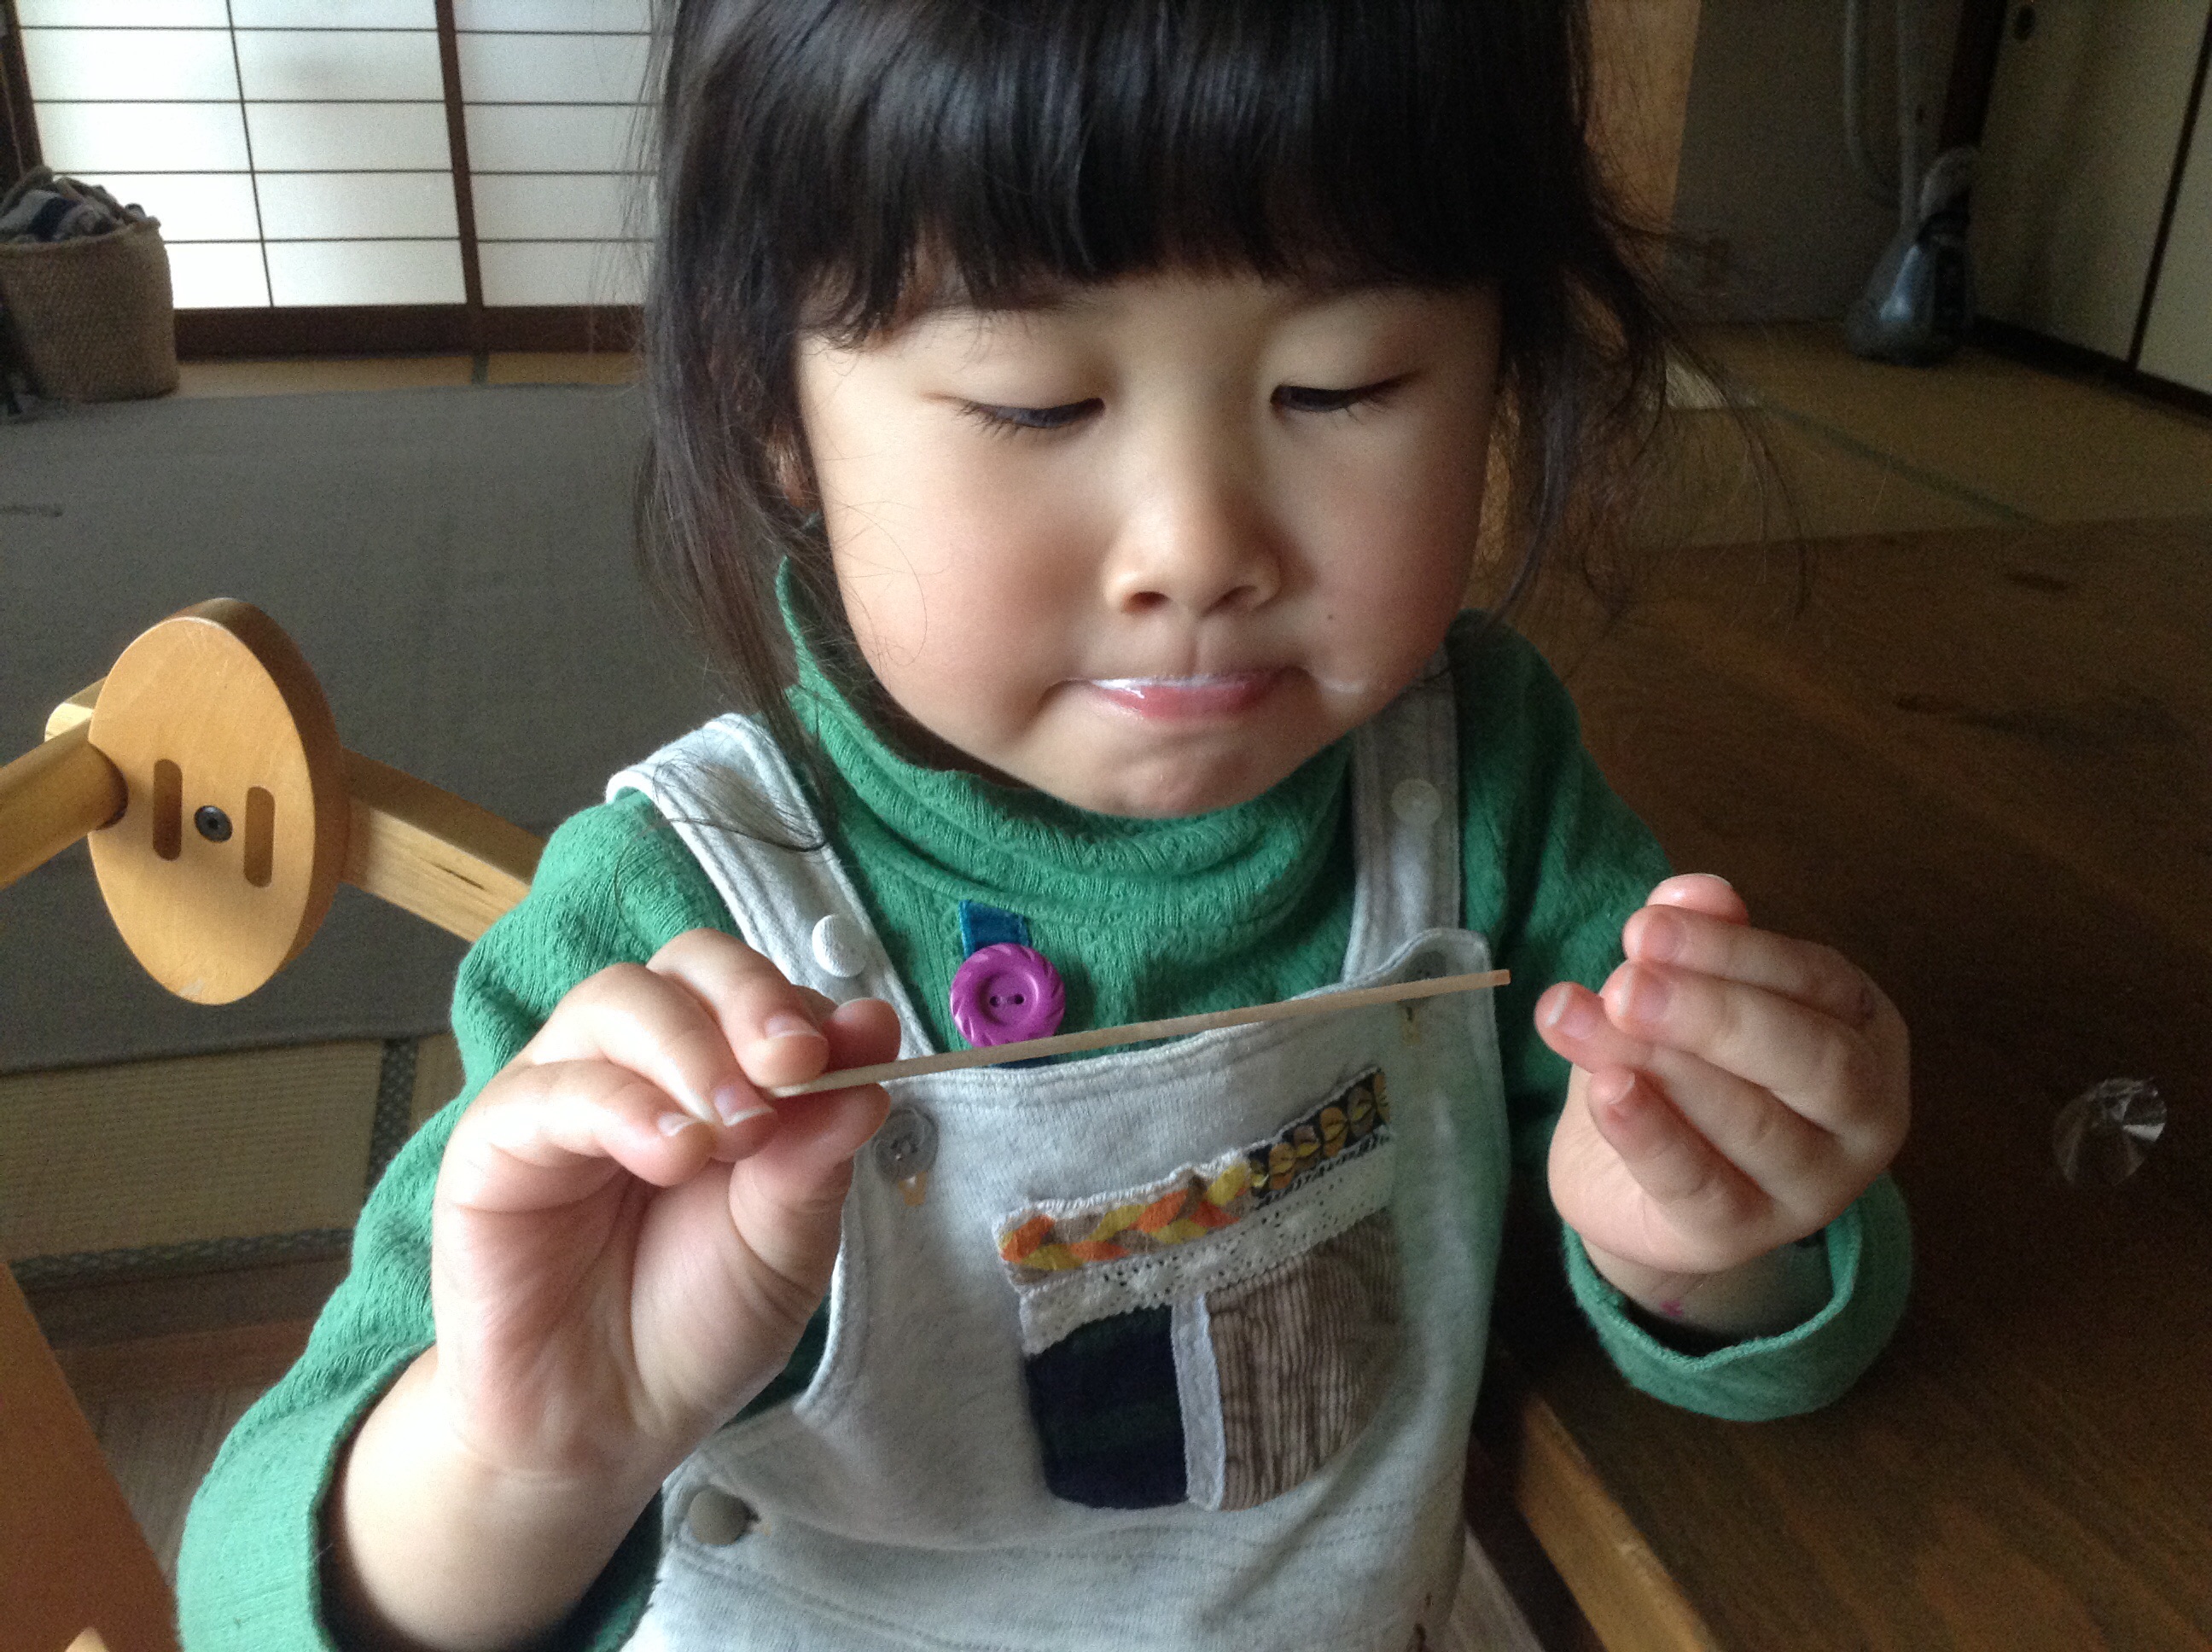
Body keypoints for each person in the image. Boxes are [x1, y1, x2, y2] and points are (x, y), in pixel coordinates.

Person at [177, 2, 1912, 1647]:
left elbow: (1739, 1306)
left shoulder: (1481, 786)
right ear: (773, 408)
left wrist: (1712, 1239)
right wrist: (523, 1464)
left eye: (1343, 385)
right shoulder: (669, 919)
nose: (1197, 545)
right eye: (1037, 403)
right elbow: (249, 1586)